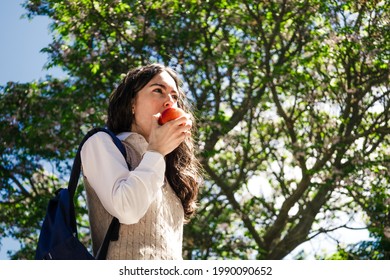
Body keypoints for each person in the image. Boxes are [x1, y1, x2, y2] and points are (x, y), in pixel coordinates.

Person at [80, 63, 202, 260]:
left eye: (174, 96)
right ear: (132, 104)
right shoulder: (101, 143)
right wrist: (156, 151)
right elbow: (127, 209)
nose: (169, 102)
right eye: (158, 91)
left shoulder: (167, 168)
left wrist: (157, 153)